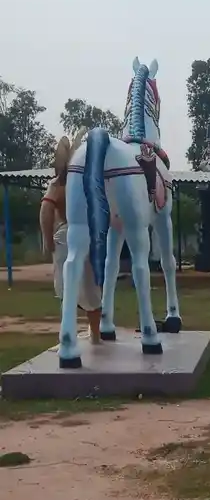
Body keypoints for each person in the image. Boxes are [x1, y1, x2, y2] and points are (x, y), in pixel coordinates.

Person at [40, 134, 103, 343]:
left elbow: (46, 210)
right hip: (89, 234)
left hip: (66, 235)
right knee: (91, 288)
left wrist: (48, 240)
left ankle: (68, 338)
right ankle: (94, 335)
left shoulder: (57, 185)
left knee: (68, 289)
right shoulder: (90, 182)